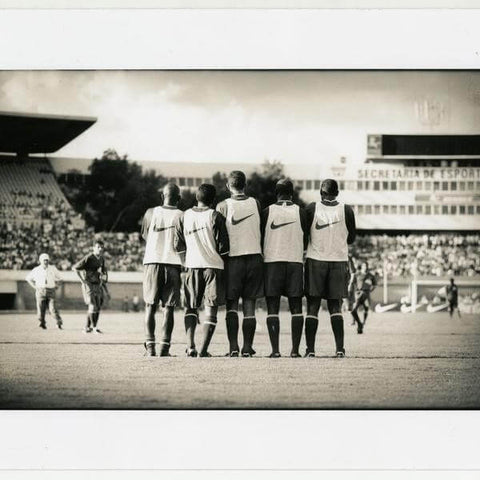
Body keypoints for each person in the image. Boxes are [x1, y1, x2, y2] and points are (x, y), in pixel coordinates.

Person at [174, 183, 229, 357]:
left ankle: (191, 346)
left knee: (190, 308)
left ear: (196, 198)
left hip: (192, 266)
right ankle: (204, 350)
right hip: (213, 267)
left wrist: (185, 262)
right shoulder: (216, 216)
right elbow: (224, 248)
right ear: (213, 200)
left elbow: (178, 245)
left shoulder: (184, 216)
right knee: (210, 309)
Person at [304, 179, 356, 357]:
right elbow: (351, 239)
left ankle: (310, 350)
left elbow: (304, 235)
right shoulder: (346, 209)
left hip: (316, 260)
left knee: (313, 306)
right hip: (338, 261)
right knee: (336, 306)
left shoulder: (312, 208)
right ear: (338, 193)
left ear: (321, 192)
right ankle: (340, 349)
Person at [216, 171, 263, 357]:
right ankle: (247, 347)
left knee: (232, 305)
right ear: (246, 185)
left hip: (233, 260)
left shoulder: (223, 206)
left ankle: (233, 347)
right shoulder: (256, 203)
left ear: (228, 187)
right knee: (250, 305)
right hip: (254, 257)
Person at [261, 179, 309, 358]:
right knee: (296, 307)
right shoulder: (301, 212)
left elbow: (260, 237)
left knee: (272, 307)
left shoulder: (267, 212)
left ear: (276, 192)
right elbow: (305, 239)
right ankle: (295, 351)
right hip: (294, 263)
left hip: (272, 263)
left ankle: (275, 350)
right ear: (292, 193)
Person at [141, 183, 183, 356]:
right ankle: (164, 348)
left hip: (152, 262)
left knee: (150, 306)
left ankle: (150, 348)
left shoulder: (151, 212)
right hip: (173, 264)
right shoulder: (182, 215)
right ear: (179, 199)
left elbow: (145, 235)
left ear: (162, 196)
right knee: (169, 308)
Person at [73, 239, 110, 334]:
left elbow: (104, 272)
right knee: (93, 305)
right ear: (93, 248)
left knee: (97, 306)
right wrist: (82, 280)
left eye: (102, 247)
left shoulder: (101, 259)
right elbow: (75, 268)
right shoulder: (89, 257)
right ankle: (94, 328)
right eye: (98, 247)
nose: (100, 249)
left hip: (97, 285)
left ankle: (87, 328)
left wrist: (103, 281)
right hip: (88, 285)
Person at [26, 253, 63, 329]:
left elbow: (61, 278)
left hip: (51, 290)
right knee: (40, 309)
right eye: (44, 260)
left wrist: (57, 286)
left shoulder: (53, 268)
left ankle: (58, 323)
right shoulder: (36, 269)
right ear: (40, 261)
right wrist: (35, 287)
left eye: (47, 260)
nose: (45, 262)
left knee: (53, 309)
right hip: (40, 290)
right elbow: (28, 279)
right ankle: (42, 323)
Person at [350, 261, 377, 333]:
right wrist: (354, 290)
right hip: (358, 293)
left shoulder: (370, 275)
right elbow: (353, 283)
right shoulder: (357, 274)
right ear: (361, 267)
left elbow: (374, 285)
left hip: (366, 293)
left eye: (366, 266)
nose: (365, 267)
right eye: (363, 266)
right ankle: (358, 323)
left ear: (367, 267)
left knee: (366, 308)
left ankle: (363, 322)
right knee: (353, 310)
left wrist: (370, 290)